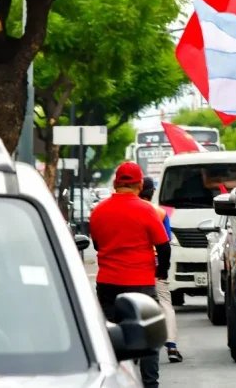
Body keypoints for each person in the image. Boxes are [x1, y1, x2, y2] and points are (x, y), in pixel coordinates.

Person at [89, 162, 169, 388]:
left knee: (109, 338)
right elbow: (163, 246)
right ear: (140, 184)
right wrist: (161, 271)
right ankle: (150, 384)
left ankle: (113, 381)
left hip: (108, 284)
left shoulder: (98, 211)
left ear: (115, 184)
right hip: (141, 284)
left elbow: (97, 244)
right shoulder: (146, 210)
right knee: (148, 336)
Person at [139, 177, 182, 363]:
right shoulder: (160, 213)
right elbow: (166, 242)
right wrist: (163, 269)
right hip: (155, 264)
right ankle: (171, 346)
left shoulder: (128, 209)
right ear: (152, 192)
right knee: (165, 304)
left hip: (135, 266)